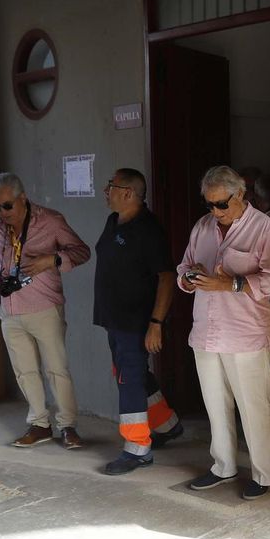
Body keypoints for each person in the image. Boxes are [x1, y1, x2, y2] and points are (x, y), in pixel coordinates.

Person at [176, 165, 270, 499]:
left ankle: (263, 474)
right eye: (209, 204)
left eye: (222, 204)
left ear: (240, 195)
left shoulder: (262, 227)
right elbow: (183, 266)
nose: (215, 211)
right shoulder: (203, 226)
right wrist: (189, 277)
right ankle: (222, 466)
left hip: (245, 333)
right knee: (214, 403)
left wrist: (232, 283)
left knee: (253, 406)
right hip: (206, 332)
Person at [0, 172, 91, 449]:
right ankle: (39, 424)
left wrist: (51, 260)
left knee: (56, 369)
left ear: (23, 199)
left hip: (44, 307)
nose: (1, 212)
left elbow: (81, 251)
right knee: (24, 371)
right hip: (10, 309)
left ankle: (68, 426)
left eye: (7, 206)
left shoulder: (50, 221)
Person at [92, 168, 182, 475]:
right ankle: (167, 424)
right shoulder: (113, 220)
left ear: (128, 193)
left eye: (111, 186)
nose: (106, 191)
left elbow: (167, 277)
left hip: (136, 320)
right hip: (113, 318)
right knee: (129, 372)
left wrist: (156, 322)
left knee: (128, 379)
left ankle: (137, 448)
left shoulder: (148, 229)